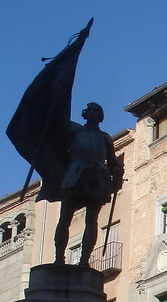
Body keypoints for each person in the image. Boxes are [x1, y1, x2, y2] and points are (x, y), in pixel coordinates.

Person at [51, 102, 123, 266]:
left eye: (97, 110)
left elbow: (112, 160)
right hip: (75, 175)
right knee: (65, 218)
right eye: (90, 110)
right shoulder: (74, 130)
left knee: (92, 219)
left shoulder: (105, 137)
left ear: (100, 116)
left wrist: (117, 170)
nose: (93, 113)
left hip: (97, 177)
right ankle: (59, 257)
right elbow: (58, 136)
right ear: (85, 114)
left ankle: (84, 259)